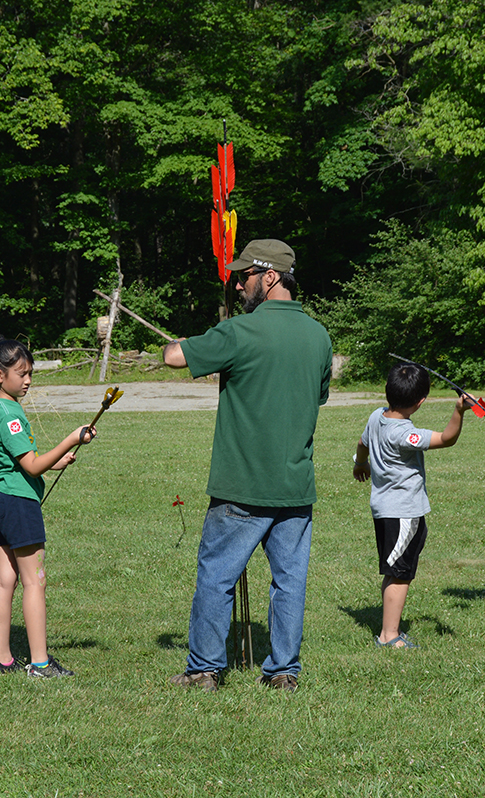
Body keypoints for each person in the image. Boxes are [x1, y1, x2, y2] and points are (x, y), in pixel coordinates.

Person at [163, 238, 333, 693]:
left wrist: (186, 339)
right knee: (289, 584)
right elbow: (317, 396)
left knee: (217, 576)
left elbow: (174, 356)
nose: (239, 284)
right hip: (295, 487)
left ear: (270, 276)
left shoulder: (239, 331)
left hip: (242, 487)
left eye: (246, 276)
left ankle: (204, 669)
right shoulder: (319, 335)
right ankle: (283, 674)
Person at [0, 336, 95, 677]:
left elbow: (19, 461)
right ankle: (40, 664)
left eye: (30, 372)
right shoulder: (10, 416)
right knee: (35, 582)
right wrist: (70, 439)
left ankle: (2, 660)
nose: (28, 380)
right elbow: (30, 467)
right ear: (0, 375)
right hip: (17, 502)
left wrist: (58, 460)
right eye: (21, 373)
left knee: (5, 580)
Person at [353, 363, 469, 650]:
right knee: (400, 574)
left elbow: (362, 442)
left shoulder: (376, 417)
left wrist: (360, 463)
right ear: (420, 402)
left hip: (384, 509)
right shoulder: (405, 434)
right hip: (404, 514)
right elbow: (446, 439)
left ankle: (388, 629)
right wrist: (459, 411)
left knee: (394, 570)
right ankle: (389, 635)